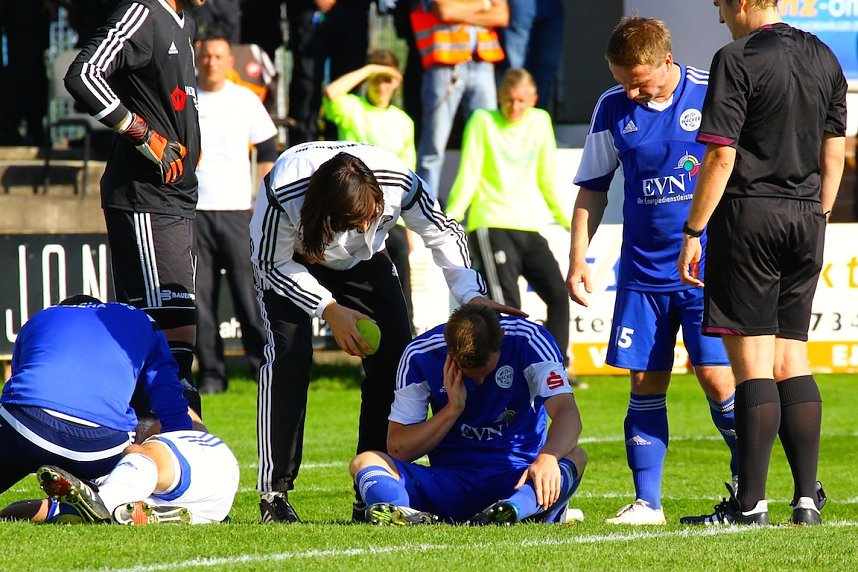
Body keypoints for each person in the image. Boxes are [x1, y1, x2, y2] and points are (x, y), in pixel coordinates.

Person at [249, 140, 524, 523]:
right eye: (352, 223)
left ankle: (373, 486)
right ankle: (274, 494)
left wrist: (471, 294)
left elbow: (442, 232)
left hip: (367, 265)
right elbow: (268, 264)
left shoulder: (400, 181)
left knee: (395, 360)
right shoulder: (284, 190)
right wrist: (328, 308)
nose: (364, 229)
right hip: (293, 260)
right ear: (322, 211)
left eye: (372, 219)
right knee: (289, 359)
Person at [677, 0, 846, 527]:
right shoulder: (825, 56)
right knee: (792, 359)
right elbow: (833, 152)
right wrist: (816, 216)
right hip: (807, 217)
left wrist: (693, 230)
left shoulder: (735, 57)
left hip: (750, 214)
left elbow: (721, 155)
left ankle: (749, 504)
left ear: (744, 3)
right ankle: (806, 501)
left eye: (721, 4)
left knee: (752, 364)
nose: (719, 15)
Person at [566, 16, 738, 525]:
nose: (631, 91)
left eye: (638, 80)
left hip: (707, 267)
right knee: (644, 379)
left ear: (667, 59)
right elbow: (593, 187)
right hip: (642, 271)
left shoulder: (712, 90)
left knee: (715, 377)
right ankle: (648, 503)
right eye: (622, 80)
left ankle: (748, 488)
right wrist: (578, 255)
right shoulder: (612, 106)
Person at [64, 0, 205, 415]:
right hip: (145, 199)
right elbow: (84, 75)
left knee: (170, 344)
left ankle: (137, 459)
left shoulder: (186, 22)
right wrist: (142, 133)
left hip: (176, 197)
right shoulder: (141, 11)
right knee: (164, 343)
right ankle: (151, 458)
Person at [349, 304, 587, 525]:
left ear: (501, 341)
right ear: (449, 351)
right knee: (365, 461)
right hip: (449, 482)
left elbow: (567, 412)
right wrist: (452, 410)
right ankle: (402, 514)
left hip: (517, 479)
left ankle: (511, 510)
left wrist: (547, 457)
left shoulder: (530, 341)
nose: (480, 381)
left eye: (487, 371)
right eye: (469, 373)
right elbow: (399, 448)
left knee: (575, 455)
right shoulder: (420, 354)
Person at [0, 296, 192, 496]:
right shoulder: (144, 321)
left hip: (26, 430)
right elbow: (170, 400)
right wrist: (182, 453)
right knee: (117, 488)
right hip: (102, 449)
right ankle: (102, 492)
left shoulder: (41, 317)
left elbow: (17, 391)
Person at [446, 68, 571, 371]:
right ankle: (511, 370)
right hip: (491, 223)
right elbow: (469, 174)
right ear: (499, 98)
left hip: (528, 226)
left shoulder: (540, 121)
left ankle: (554, 367)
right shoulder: (482, 121)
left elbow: (547, 178)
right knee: (508, 305)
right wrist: (450, 218)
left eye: (520, 101)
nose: (514, 108)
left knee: (558, 293)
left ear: (533, 99)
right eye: (508, 101)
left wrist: (567, 219)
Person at [193, 36, 278, 395]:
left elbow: (268, 144)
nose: (211, 62)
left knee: (248, 295)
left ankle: (263, 371)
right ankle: (212, 374)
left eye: (218, 56)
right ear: (197, 58)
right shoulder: (184, 96)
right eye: (206, 55)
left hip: (236, 211)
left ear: (230, 61)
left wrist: (263, 195)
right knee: (200, 299)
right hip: (193, 212)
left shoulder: (244, 99)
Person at [0, 411, 239, 525]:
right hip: (219, 495)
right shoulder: (189, 429)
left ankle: (102, 500)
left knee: (139, 458)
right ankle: (146, 514)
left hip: (179, 462)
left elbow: (142, 447)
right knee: (128, 506)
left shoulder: (148, 446)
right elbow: (184, 410)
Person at [323, 48, 418, 333]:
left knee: (399, 281)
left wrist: (410, 228)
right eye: (377, 79)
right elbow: (331, 92)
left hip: (389, 216)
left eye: (387, 79)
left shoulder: (403, 121)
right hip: (351, 211)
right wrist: (369, 69)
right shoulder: (352, 107)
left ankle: (404, 336)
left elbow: (407, 174)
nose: (381, 85)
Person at [411, 0, 509, 205]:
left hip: (482, 64)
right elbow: (445, 11)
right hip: (445, 66)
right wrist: (483, 5)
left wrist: (461, 12)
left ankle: (483, 205)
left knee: (487, 139)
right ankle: (425, 208)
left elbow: (501, 15)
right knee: (434, 144)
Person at [497, 0, 564, 110]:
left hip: (552, 5)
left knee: (546, 68)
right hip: (520, 4)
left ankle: (537, 121)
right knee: (515, 73)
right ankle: (508, 123)